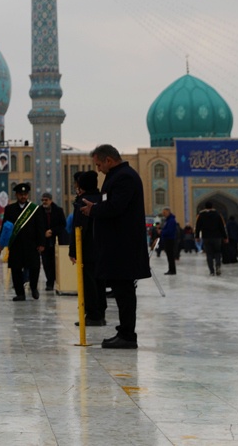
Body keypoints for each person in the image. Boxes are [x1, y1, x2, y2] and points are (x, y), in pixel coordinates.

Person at [79, 144, 151, 350]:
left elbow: (116, 207)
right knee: (122, 291)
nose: (99, 169)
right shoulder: (118, 176)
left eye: (99, 164)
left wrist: (94, 210)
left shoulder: (124, 177)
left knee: (125, 292)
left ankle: (128, 335)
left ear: (109, 160)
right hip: (118, 246)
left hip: (124, 247)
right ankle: (124, 332)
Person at [69, 171, 106, 327]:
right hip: (102, 248)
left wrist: (73, 250)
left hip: (87, 248)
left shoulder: (83, 202)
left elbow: (78, 228)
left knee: (89, 282)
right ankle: (100, 313)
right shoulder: (102, 199)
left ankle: (93, 315)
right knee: (100, 282)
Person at [4, 183, 46, 301]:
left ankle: (33, 287)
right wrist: (3, 242)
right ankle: (20, 293)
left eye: (25, 194)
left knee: (34, 267)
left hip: (31, 244)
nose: (23, 196)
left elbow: (40, 227)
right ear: (16, 195)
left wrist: (41, 243)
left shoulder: (34, 209)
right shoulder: (9, 209)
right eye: (21, 194)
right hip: (16, 244)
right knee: (16, 269)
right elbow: (5, 227)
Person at [39, 192, 68, 292]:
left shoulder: (58, 211)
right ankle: (49, 282)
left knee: (55, 263)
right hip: (44, 242)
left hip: (56, 241)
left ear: (51, 200)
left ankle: (57, 281)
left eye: (46, 200)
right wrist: (43, 233)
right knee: (46, 263)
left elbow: (62, 225)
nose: (44, 202)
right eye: (42, 200)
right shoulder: (39, 211)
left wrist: (52, 231)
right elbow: (36, 226)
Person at [195, 202, 227, 276]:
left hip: (206, 237)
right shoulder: (217, 215)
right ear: (212, 206)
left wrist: (197, 236)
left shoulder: (201, 215)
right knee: (217, 253)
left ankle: (211, 271)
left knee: (209, 254)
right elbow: (222, 227)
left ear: (205, 207)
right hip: (217, 237)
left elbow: (198, 226)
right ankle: (218, 266)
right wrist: (225, 237)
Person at [159, 208, 179, 275]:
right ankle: (171, 269)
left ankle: (172, 270)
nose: (163, 214)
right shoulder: (168, 220)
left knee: (170, 255)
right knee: (169, 255)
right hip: (167, 239)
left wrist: (162, 232)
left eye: (164, 213)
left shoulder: (171, 220)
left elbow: (170, 231)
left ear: (168, 212)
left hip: (169, 239)